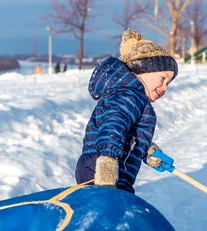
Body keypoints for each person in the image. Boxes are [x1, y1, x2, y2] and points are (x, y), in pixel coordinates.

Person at [75, 28, 178, 193]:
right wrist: (107, 161)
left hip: (114, 169)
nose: (164, 87)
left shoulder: (135, 98)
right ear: (143, 70)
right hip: (102, 169)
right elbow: (113, 126)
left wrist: (147, 150)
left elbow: (128, 136)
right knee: (113, 212)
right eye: (162, 78)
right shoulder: (127, 95)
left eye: (168, 83)